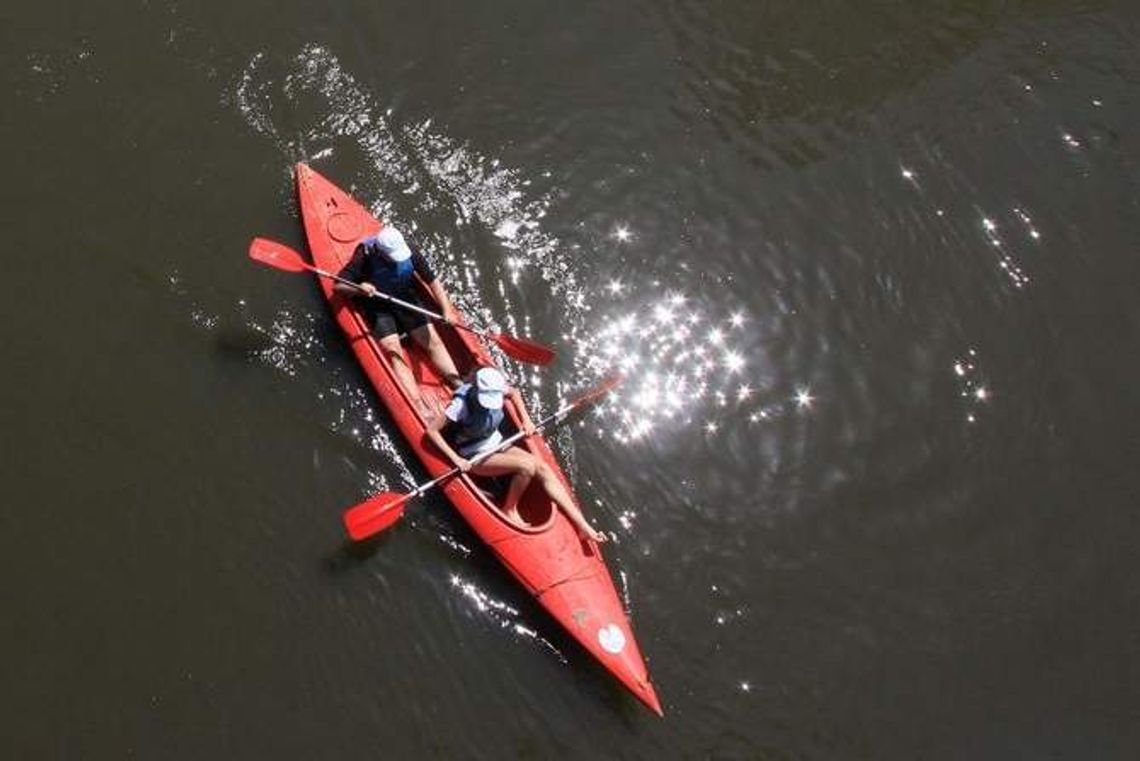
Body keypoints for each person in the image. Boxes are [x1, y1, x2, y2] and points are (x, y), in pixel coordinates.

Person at [424, 366, 607, 543]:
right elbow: (432, 431)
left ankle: (582, 525)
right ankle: (509, 510)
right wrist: (455, 459)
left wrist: (525, 420)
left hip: (495, 443)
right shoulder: (461, 404)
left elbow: (514, 393)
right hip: (472, 454)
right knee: (526, 466)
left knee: (541, 467)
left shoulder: (495, 388)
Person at [333, 225, 463, 414]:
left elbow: (433, 281)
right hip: (377, 304)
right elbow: (338, 286)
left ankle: (458, 384)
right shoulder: (365, 255)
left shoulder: (410, 250)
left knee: (433, 340)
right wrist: (359, 288)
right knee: (393, 350)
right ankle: (416, 405)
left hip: (404, 297)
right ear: (381, 251)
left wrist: (446, 309)